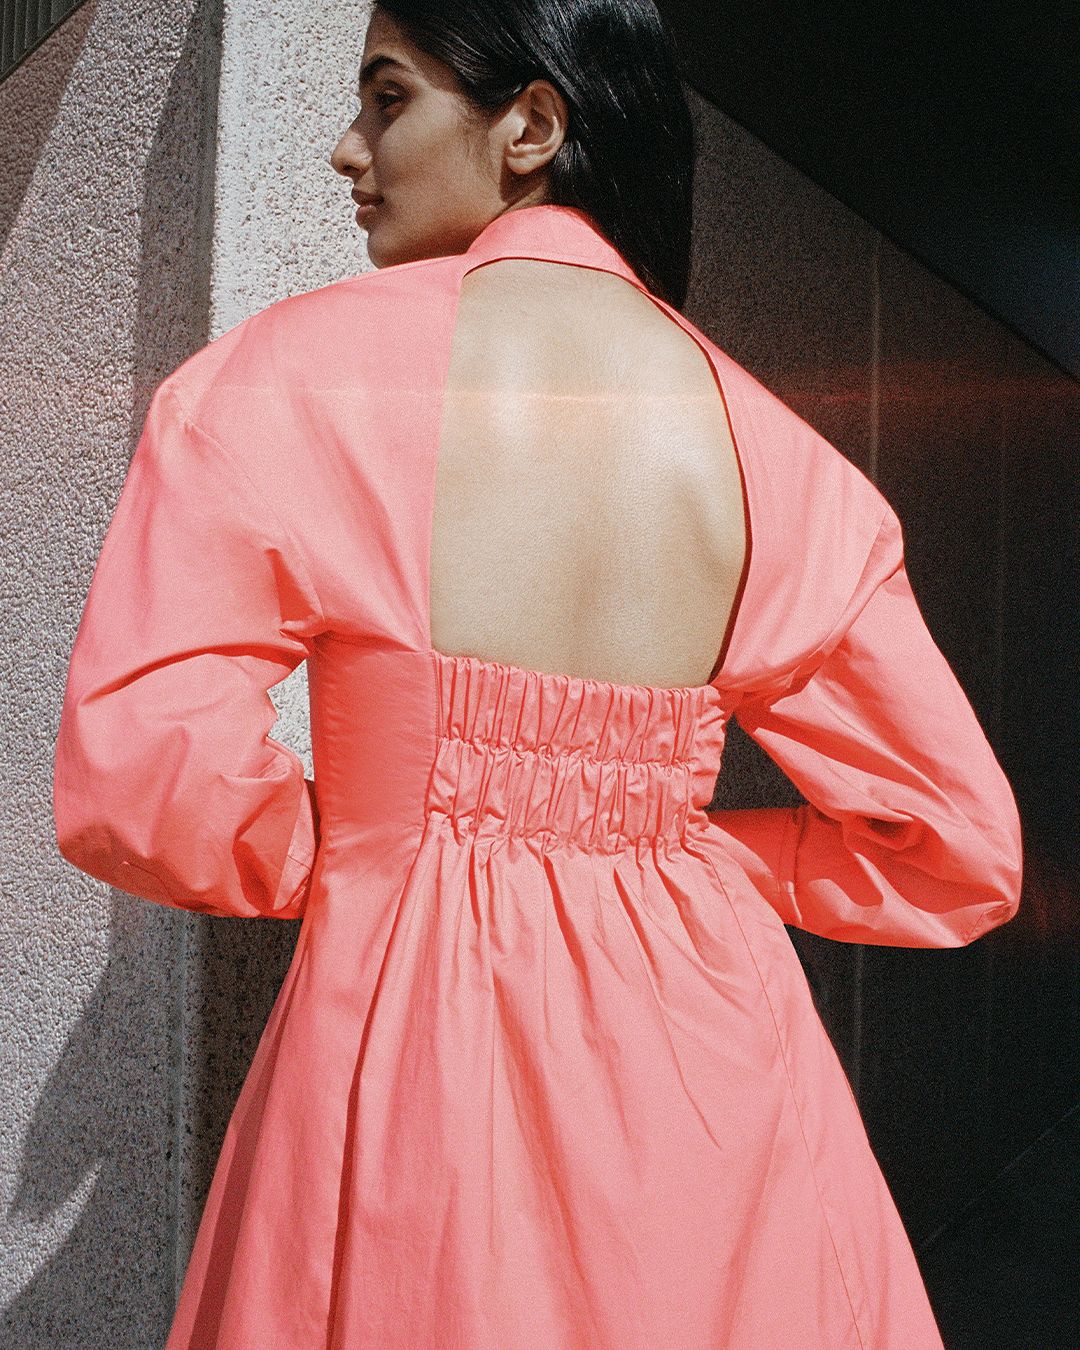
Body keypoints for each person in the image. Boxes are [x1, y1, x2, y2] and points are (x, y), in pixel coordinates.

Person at [52, 2, 1023, 1346]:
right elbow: (961, 851)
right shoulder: (785, 457)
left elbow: (146, 778)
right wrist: (668, 857)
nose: (349, 147)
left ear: (532, 126)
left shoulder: (289, 380)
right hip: (716, 1087)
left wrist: (377, 847)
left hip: (407, 1064)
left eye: (388, 98)